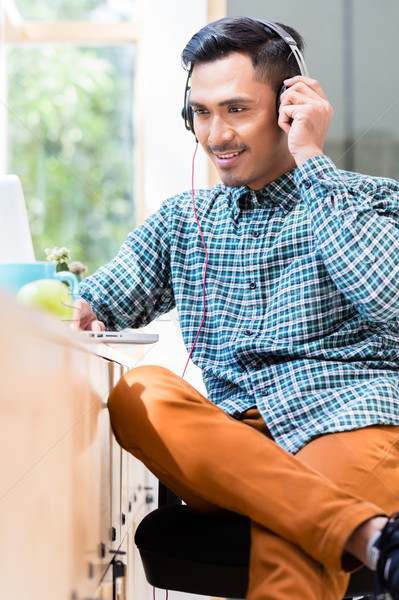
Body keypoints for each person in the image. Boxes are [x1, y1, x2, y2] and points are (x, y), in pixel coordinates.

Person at [73, 16, 399, 600]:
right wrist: (80, 305)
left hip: (351, 420)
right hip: (231, 441)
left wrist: (312, 161)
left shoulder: (370, 200)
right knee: (139, 392)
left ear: (290, 106)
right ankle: (373, 535)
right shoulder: (184, 219)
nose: (214, 134)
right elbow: (104, 297)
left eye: (236, 110)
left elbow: (388, 299)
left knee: (290, 532)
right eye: (201, 112)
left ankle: (342, 526)